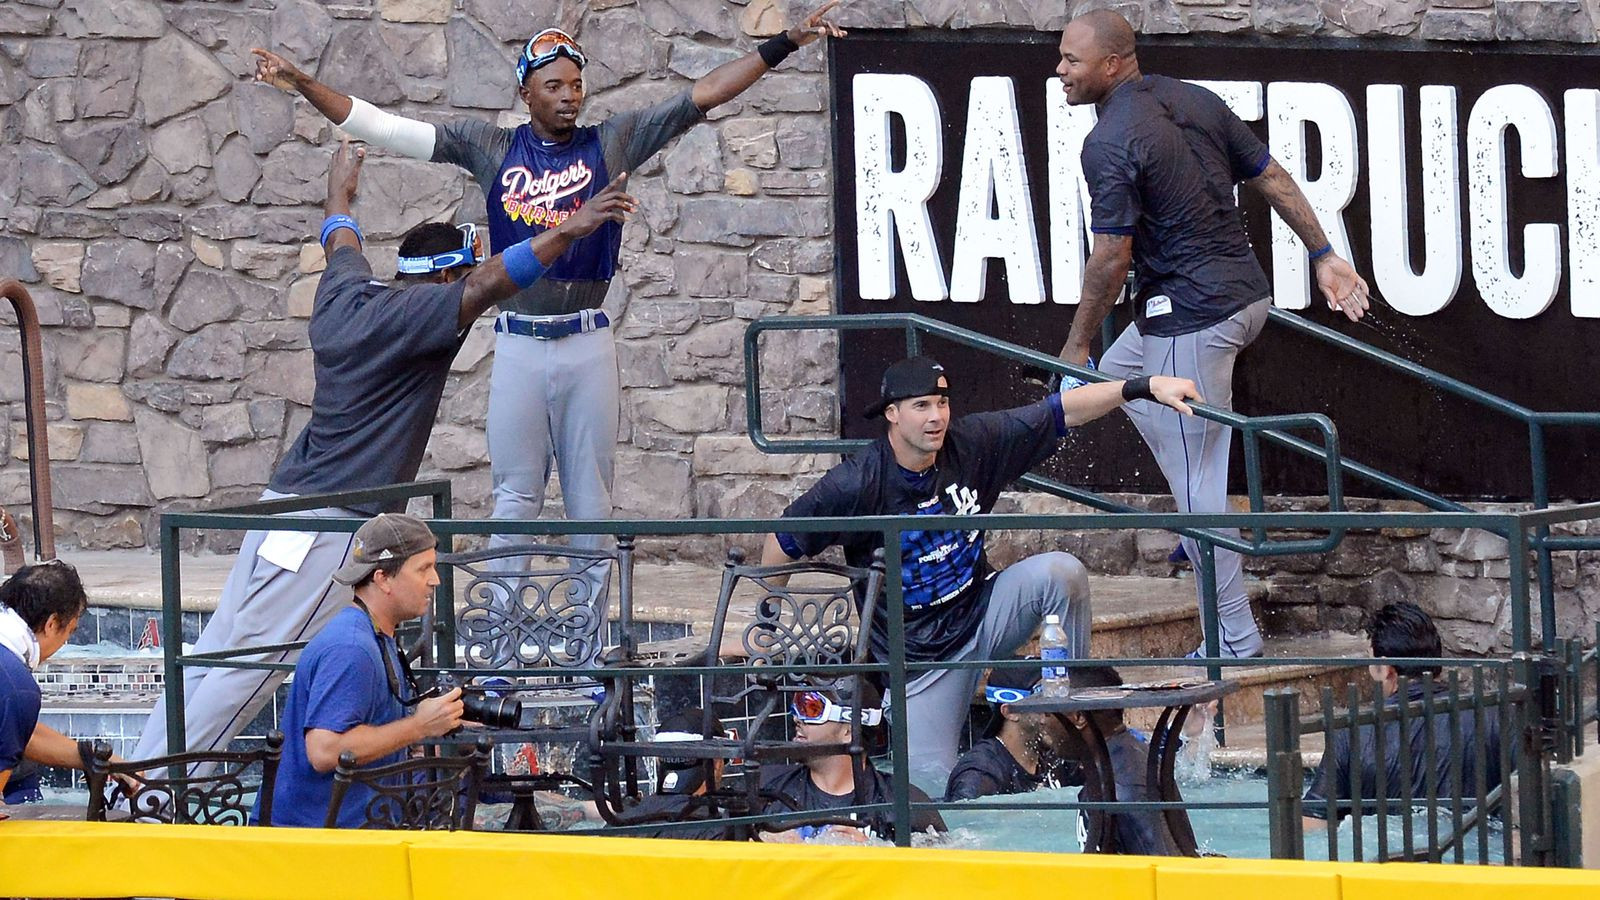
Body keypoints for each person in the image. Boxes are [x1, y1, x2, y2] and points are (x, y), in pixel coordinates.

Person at [249, 3, 849, 578]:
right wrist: (304, 82)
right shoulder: (492, 147)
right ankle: (503, 645)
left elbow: (705, 93)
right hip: (517, 339)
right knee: (514, 497)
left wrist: (785, 43)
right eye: (555, 86)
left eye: (576, 85)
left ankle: (589, 655)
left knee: (591, 502)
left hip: (586, 336)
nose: (569, 96)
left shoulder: (610, 141)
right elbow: (384, 126)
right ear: (525, 93)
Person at [134, 139, 636, 762]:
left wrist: (340, 188)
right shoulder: (418, 314)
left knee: (217, 650)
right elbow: (493, 279)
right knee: (250, 671)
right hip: (330, 524)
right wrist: (575, 225)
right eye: (458, 279)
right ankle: (156, 786)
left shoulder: (344, 293)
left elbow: (340, 239)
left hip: (278, 507)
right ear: (443, 278)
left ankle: (138, 770)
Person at [1054, 9, 1371, 659]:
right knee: (1111, 388)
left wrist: (1074, 346)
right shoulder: (1195, 99)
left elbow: (1111, 258)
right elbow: (1273, 177)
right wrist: (1323, 256)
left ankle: (1232, 637)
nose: (1059, 71)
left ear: (1112, 64)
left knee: (1198, 488)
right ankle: (1197, 505)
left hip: (1192, 320)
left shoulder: (1109, 141)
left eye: (1071, 61)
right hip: (1243, 301)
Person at [762, 355, 1201, 777]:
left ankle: (1071, 709)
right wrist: (769, 622)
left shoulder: (973, 442)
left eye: (942, 403)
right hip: (921, 659)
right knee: (929, 785)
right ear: (892, 414)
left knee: (1061, 572)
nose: (936, 417)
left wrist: (1143, 388)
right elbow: (782, 541)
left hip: (983, 610)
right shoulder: (857, 481)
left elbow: (1060, 410)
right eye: (921, 407)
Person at [258, 513, 466, 828]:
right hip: (318, 846)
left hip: (349, 833)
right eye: (423, 568)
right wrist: (419, 727)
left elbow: (374, 729)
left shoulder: (374, 634)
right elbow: (325, 751)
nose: (435, 579)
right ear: (382, 578)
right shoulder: (352, 649)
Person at [1302, 602, 1507, 831]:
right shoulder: (1493, 717)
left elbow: (1313, 825)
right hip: (1470, 858)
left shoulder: (1352, 732)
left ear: (1384, 668)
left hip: (1386, 861)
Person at [759, 685, 947, 843]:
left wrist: (873, 853)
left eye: (811, 708)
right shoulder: (766, 788)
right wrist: (759, 843)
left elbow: (941, 869)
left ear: (848, 731)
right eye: (798, 705)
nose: (797, 718)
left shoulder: (903, 803)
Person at [1054, 665, 1186, 856]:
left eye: (1049, 713)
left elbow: (1163, 868)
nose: (1042, 721)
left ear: (1078, 717)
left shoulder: (1118, 787)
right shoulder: (1133, 755)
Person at [0, 561, 96, 812]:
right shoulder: (18, 689)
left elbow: (23, 735)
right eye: (70, 631)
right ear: (52, 623)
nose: (64, 642)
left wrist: (94, 758)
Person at [944, 661, 1077, 802]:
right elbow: (962, 820)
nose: (1053, 713)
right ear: (1010, 712)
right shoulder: (980, 776)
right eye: (1040, 699)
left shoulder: (1055, 757)